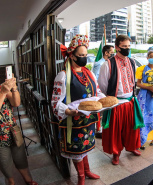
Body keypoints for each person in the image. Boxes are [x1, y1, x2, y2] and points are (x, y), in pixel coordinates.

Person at [51, 35, 105, 185]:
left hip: (88, 119)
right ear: (72, 56)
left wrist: (104, 101)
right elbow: (55, 101)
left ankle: (87, 171)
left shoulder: (90, 74)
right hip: (72, 121)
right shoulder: (63, 76)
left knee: (85, 146)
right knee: (77, 150)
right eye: (80, 55)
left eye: (85, 55)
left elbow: (97, 92)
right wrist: (68, 111)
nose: (84, 58)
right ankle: (81, 177)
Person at [98, 35, 144, 165]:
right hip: (116, 103)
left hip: (130, 101)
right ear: (117, 47)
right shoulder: (107, 64)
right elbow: (102, 85)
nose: (127, 49)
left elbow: (133, 81)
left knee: (131, 128)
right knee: (115, 131)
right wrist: (112, 98)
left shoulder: (132, 62)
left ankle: (131, 147)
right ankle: (116, 153)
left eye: (129, 46)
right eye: (124, 46)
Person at [0, 76, 38, 185]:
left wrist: (14, 88)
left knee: (20, 157)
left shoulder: (1, 88)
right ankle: (11, 182)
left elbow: (16, 103)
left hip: (12, 130)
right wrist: (3, 93)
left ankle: (28, 180)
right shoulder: (2, 90)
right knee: (4, 162)